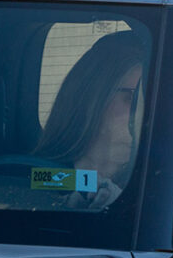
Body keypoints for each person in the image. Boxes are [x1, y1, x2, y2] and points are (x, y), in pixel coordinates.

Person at [33, 31, 146, 209]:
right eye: (132, 98)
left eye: (149, 101)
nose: (143, 111)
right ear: (93, 99)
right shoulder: (38, 175)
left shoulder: (156, 185)